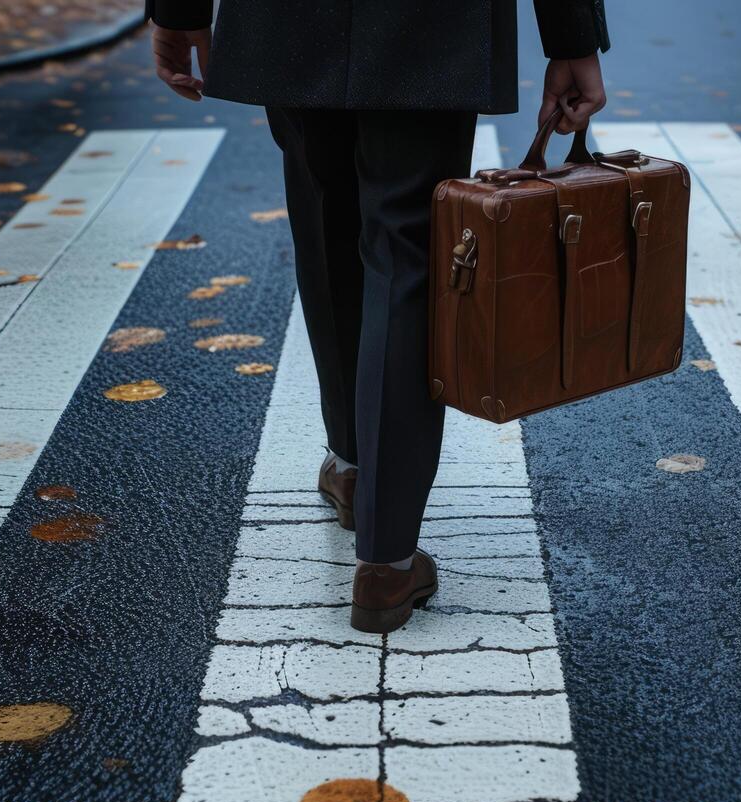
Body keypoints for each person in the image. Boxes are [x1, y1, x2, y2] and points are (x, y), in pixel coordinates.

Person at [150, 0, 610, 633]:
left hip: (289, 22)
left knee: (322, 221)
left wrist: (177, 8)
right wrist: (573, 35)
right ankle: (386, 560)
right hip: (431, 24)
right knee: (407, 254)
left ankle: (351, 465)